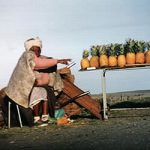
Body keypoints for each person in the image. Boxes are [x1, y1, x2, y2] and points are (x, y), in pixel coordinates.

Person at [4, 37, 71, 127]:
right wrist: (58, 61)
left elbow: (46, 65)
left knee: (45, 91)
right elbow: (38, 64)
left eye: (38, 49)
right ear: (29, 50)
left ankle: (44, 117)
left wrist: (54, 62)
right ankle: (36, 118)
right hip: (23, 90)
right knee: (38, 91)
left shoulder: (44, 58)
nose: (36, 51)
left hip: (41, 87)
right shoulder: (27, 56)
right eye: (33, 49)